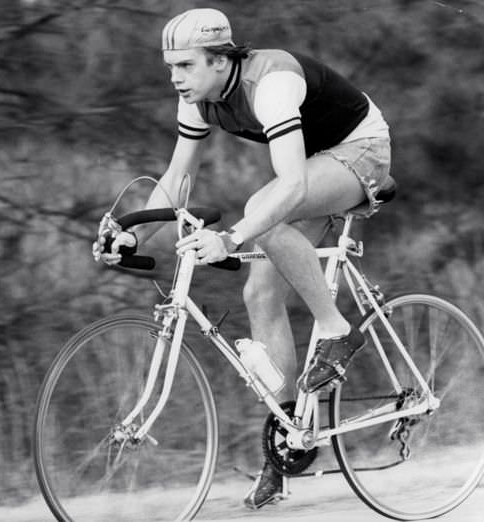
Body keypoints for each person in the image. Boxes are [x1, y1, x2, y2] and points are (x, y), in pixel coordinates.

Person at [94, 7, 391, 510]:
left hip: (359, 150)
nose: (175, 78)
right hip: (313, 164)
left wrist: (229, 240)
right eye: (170, 67)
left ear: (219, 61)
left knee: (264, 215)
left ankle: (337, 331)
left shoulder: (269, 82)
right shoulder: (199, 100)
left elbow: (292, 185)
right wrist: (133, 233)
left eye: (185, 66)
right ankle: (289, 444)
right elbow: (178, 181)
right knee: (257, 291)